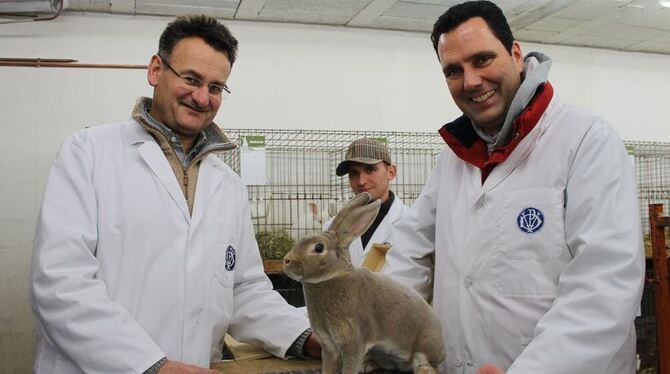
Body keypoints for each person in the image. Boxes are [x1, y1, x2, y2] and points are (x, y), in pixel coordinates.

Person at [30, 15, 319, 374]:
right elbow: (60, 283)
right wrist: (153, 367)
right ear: (155, 70)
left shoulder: (227, 184)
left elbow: (243, 290)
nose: (201, 97)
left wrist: (309, 337)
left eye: (215, 87)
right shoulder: (89, 153)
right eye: (192, 79)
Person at [383, 1, 645, 373]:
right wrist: (385, 337)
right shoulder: (454, 159)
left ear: (516, 54)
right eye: (453, 71)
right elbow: (411, 249)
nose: (471, 81)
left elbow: (605, 283)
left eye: (482, 59)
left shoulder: (585, 139)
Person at [326, 137, 409, 267]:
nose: (361, 181)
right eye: (354, 173)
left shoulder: (411, 225)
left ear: (391, 172)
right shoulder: (332, 228)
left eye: (370, 170)